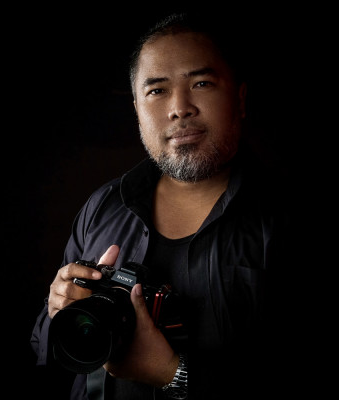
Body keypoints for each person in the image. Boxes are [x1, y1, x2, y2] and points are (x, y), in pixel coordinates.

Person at [31, 11, 294, 400]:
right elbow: (43, 352)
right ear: (137, 109)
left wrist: (172, 373)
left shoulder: (284, 218)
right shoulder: (104, 206)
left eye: (201, 83)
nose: (179, 108)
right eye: (157, 90)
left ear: (239, 99)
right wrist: (59, 310)